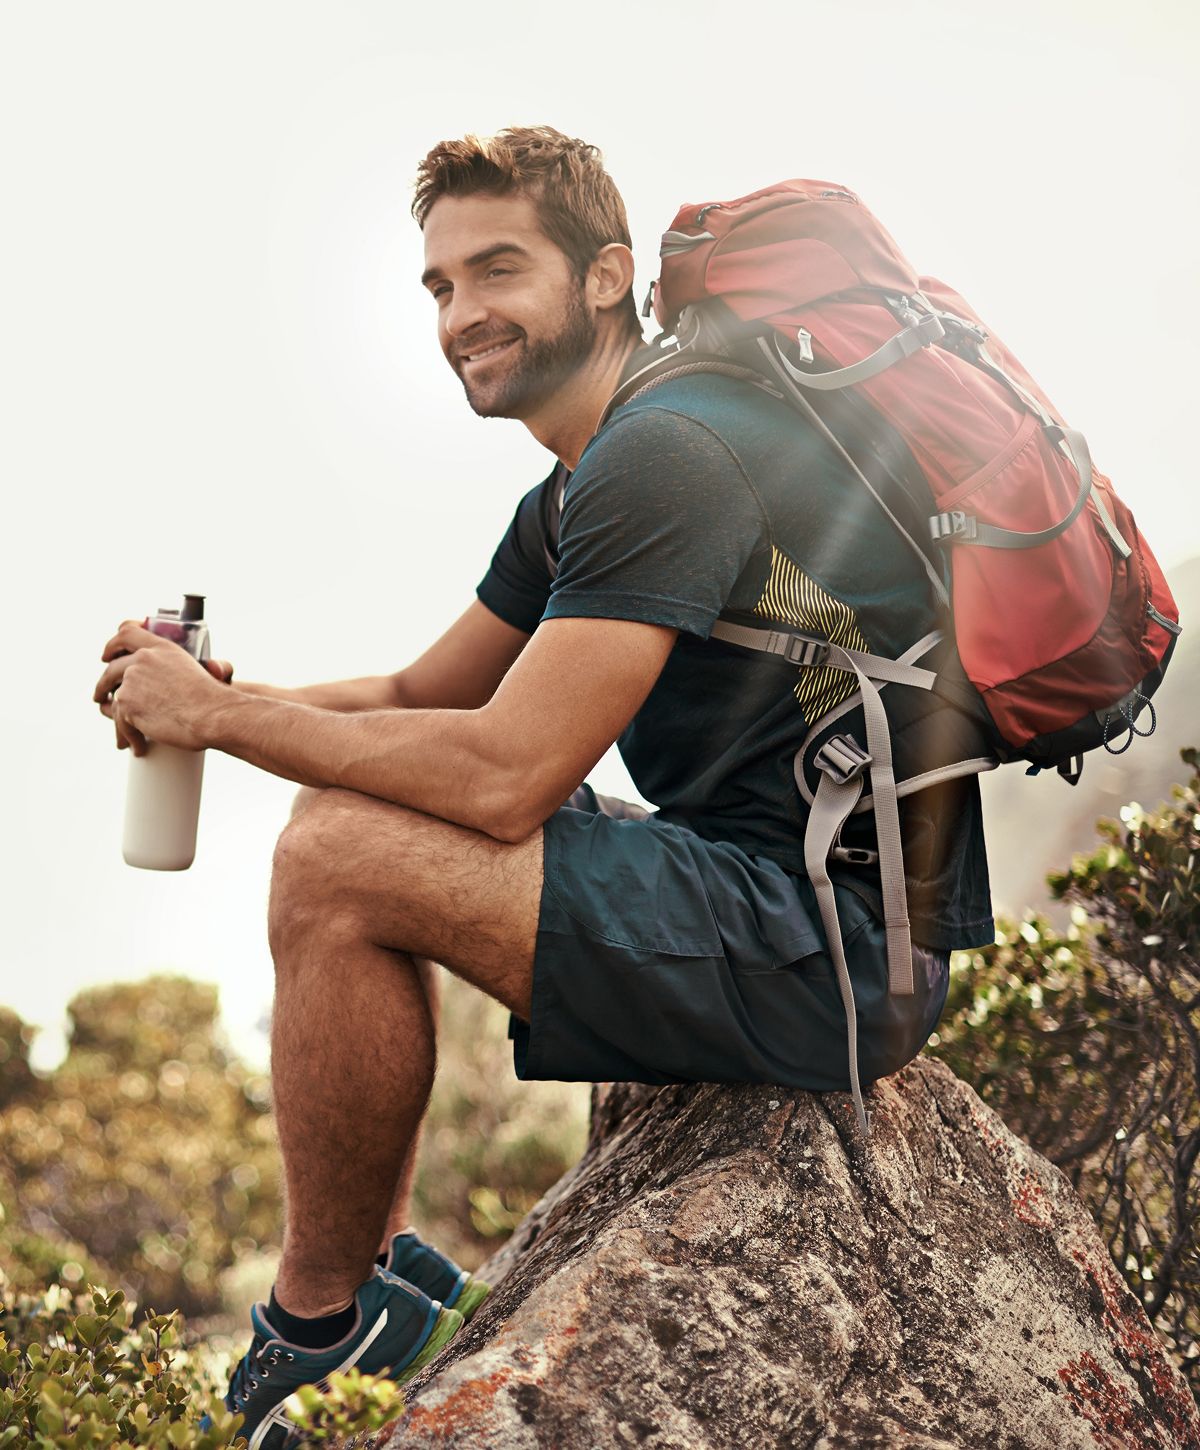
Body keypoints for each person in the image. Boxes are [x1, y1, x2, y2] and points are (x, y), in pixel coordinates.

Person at [93, 126, 993, 1444]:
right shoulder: (585, 482)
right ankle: (381, 1294)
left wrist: (221, 721)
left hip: (837, 953)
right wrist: (225, 697)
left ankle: (317, 1330)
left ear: (605, 276)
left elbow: (508, 771)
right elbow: (420, 699)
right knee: (342, 820)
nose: (463, 315)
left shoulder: (672, 450)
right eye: (441, 286)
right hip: (773, 899)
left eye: (498, 269)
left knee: (338, 854)